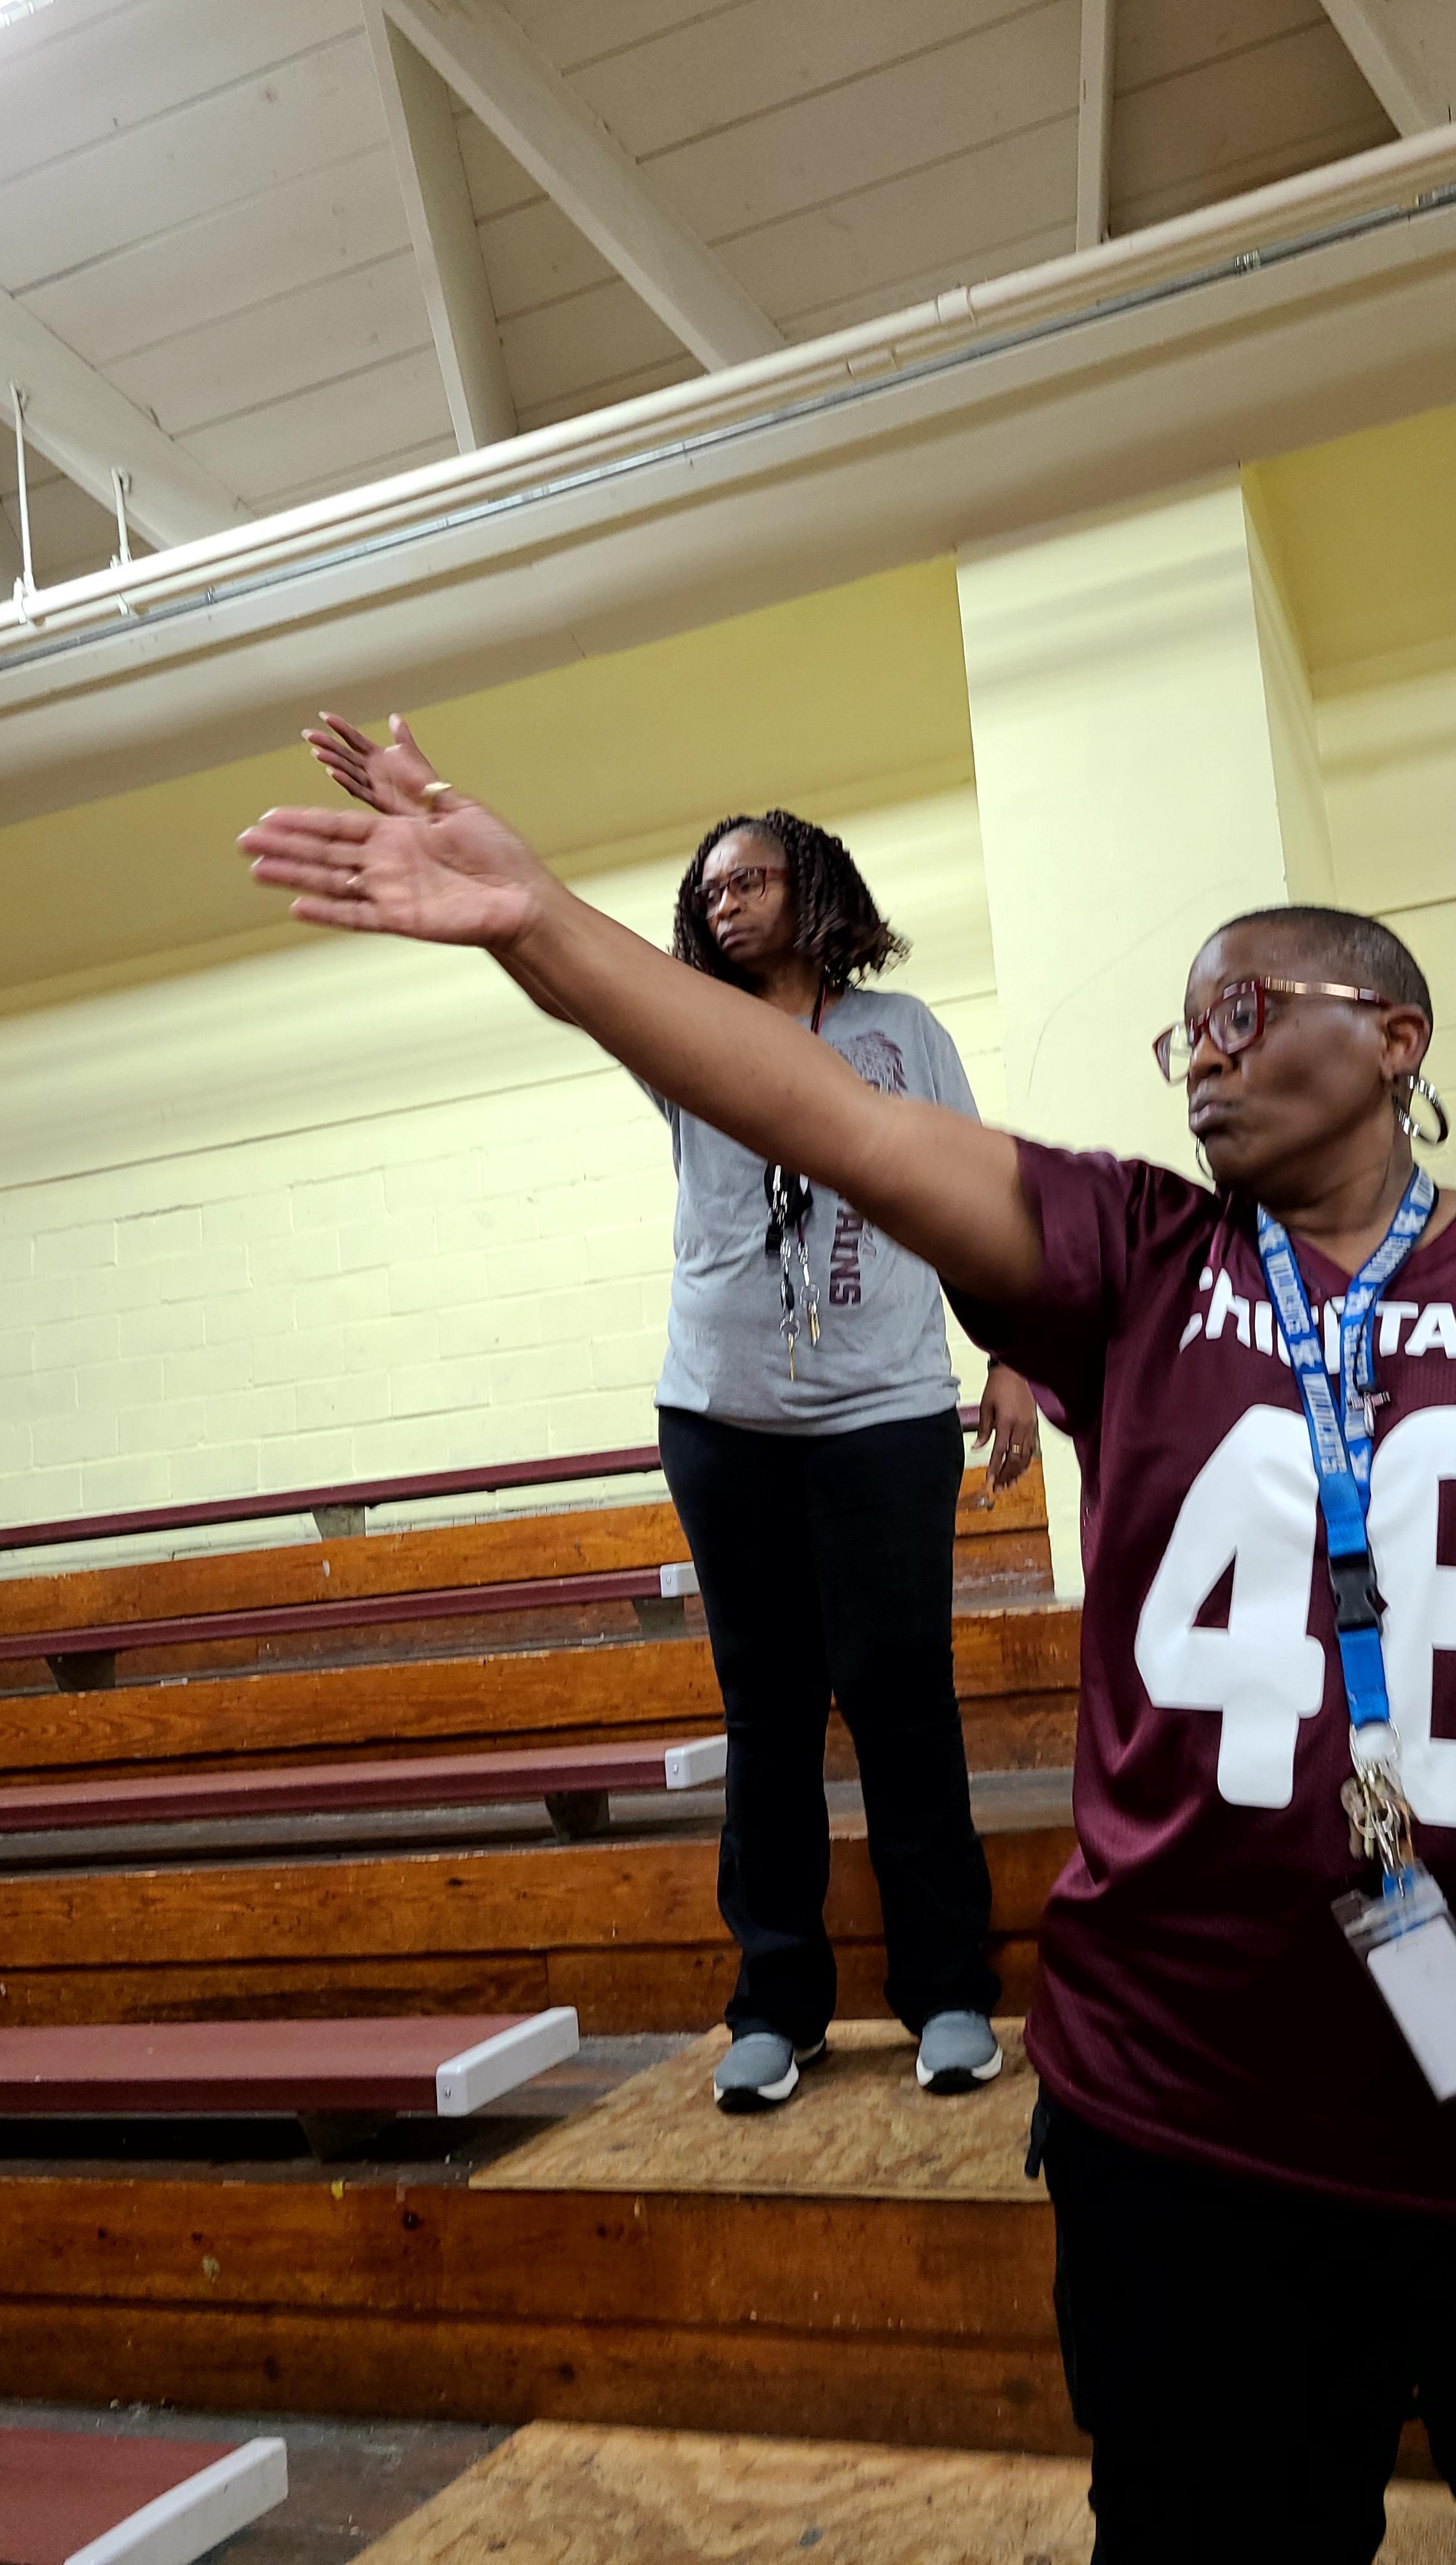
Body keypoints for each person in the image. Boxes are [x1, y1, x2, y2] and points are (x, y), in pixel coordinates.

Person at [242, 779, 1456, 2564]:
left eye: (1243, 1008)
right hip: (1202, 2130)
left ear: (1394, 1035)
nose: (1203, 1053)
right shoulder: (1137, 1263)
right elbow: (824, 1111)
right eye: (1183, 1031)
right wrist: (538, 924)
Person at [298, 717, 1037, 2112]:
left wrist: (1007, 1353)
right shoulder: (684, 1026)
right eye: (710, 890)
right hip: (724, 1421)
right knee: (768, 1713)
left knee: (902, 1700)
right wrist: (489, 888)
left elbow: (968, 1194)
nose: (726, 900)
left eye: (752, 878)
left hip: (884, 1414)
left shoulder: (903, 1035)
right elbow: (573, 979)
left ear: (816, 888)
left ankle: (947, 1993)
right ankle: (776, 2004)